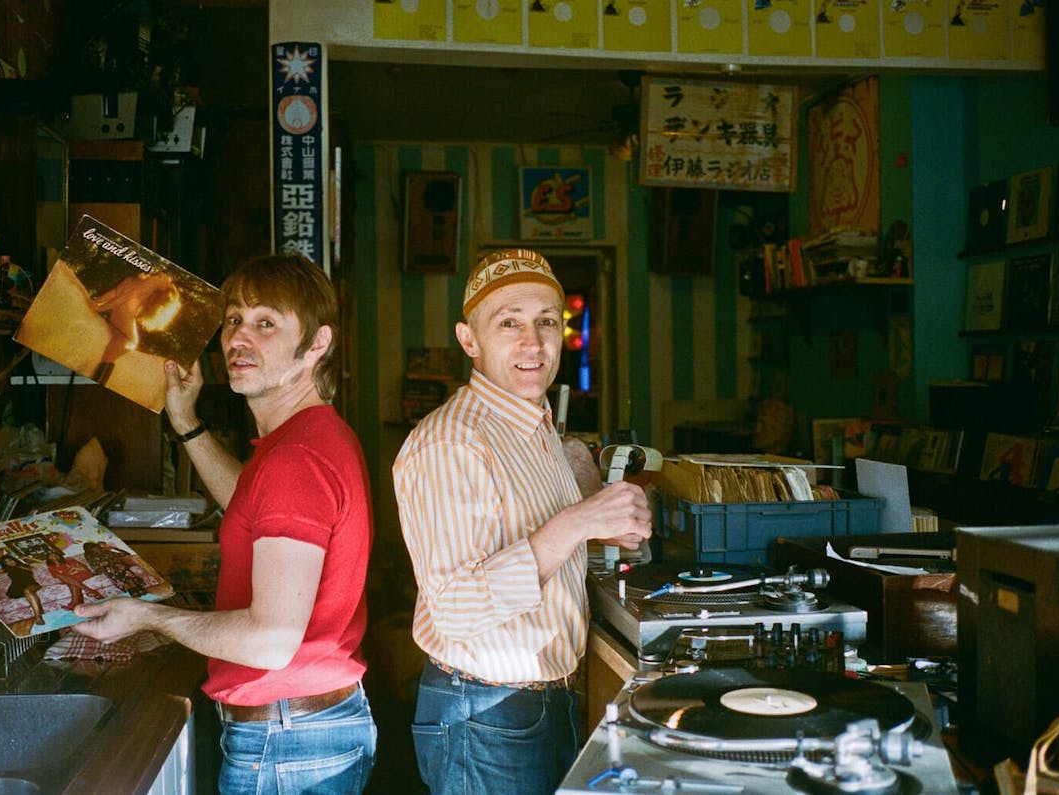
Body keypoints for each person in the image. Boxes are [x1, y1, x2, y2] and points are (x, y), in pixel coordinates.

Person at [72, 253, 376, 795]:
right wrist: (186, 422)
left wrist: (149, 617)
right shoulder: (309, 437)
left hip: (285, 739)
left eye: (266, 323)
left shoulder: (295, 460)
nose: (238, 338)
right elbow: (253, 505)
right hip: (304, 728)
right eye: (234, 319)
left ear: (317, 343)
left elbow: (270, 642)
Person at [393, 248, 653, 795]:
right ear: (469, 340)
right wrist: (577, 521)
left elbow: (533, 540)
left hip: (542, 700)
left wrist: (599, 526)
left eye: (547, 322)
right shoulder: (452, 443)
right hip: (484, 711)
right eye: (509, 323)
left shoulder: (534, 427)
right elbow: (458, 608)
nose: (533, 343)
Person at [89, 270, 181, 385]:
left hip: (126, 337)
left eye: (165, 281)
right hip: (117, 328)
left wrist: (100, 308)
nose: (163, 277)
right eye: (163, 276)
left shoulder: (146, 288)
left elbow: (121, 299)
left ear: (161, 286)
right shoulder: (133, 280)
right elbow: (113, 293)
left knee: (108, 356)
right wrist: (95, 302)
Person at [0, 552, 45, 627]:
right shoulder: (7, 569)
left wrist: (27, 558)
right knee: (28, 592)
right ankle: (40, 612)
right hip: (17, 588)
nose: (10, 562)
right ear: (5, 564)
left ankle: (38, 617)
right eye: (6, 562)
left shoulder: (24, 565)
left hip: (32, 584)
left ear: (13, 559)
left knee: (27, 590)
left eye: (10, 560)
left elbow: (43, 562)